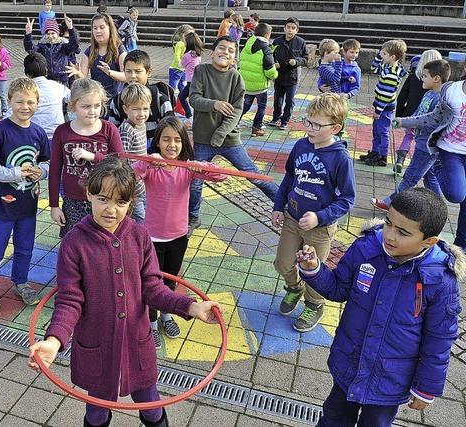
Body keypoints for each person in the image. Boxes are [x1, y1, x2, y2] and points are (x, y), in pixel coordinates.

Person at [28, 156, 221, 427]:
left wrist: (190, 307)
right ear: (88, 194)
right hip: (96, 345)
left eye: (121, 202)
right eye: (103, 198)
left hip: (136, 343)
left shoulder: (140, 235)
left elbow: (153, 289)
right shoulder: (74, 242)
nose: (111, 209)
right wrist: (54, 341)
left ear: (131, 203)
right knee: (97, 409)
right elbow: (70, 300)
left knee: (151, 405)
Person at [297, 187, 462, 426]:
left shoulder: (440, 279)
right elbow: (338, 288)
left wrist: (426, 387)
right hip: (350, 362)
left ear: (429, 241)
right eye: (388, 223)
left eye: (403, 232)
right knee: (333, 416)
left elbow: (439, 337)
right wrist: (314, 269)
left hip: (391, 378)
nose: (390, 235)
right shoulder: (366, 249)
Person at [133, 117, 227, 349]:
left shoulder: (186, 170)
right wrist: (147, 163)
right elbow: (131, 174)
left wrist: (203, 167)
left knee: (171, 279)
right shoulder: (152, 167)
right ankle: (152, 323)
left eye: (176, 140)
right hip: (152, 238)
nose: (171, 145)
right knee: (152, 282)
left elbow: (222, 175)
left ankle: (167, 314)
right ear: (157, 143)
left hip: (178, 237)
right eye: (165, 140)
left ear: (184, 144)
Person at [272, 93, 355, 332]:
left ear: (335, 128)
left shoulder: (340, 158)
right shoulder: (301, 145)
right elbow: (290, 177)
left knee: (313, 269)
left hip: (319, 228)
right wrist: (279, 206)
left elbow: (347, 199)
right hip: (292, 217)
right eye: (308, 121)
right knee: (283, 262)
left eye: (316, 125)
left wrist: (320, 217)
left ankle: (314, 304)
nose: (309, 128)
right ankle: (294, 288)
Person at [188, 36, 279, 234]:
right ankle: (193, 217)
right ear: (212, 52)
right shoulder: (201, 71)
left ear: (234, 58)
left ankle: (285, 204)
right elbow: (194, 99)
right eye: (221, 48)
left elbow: (237, 111)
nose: (225, 52)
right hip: (203, 140)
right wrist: (215, 104)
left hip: (229, 139)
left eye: (231, 51)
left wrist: (220, 134)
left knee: (253, 175)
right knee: (195, 182)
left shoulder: (236, 77)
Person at [0, 78, 50, 315]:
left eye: (30, 102)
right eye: (19, 102)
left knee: (25, 247)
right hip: (2, 206)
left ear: (37, 103)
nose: (25, 107)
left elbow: (46, 161)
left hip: (28, 205)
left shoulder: (38, 133)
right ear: (9, 101)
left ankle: (21, 282)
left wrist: (42, 172)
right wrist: (15, 173)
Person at [387, 69, 466, 251]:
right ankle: (437, 167)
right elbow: (433, 117)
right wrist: (404, 121)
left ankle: (461, 245)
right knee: (456, 194)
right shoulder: (451, 90)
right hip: (450, 151)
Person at [372, 59, 450, 212]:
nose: (422, 78)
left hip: (427, 146)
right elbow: (418, 113)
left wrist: (404, 122)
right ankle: (439, 209)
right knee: (430, 177)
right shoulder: (428, 93)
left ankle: (392, 203)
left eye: (425, 76)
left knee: (411, 176)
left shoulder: (440, 99)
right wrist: (408, 122)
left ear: (436, 78)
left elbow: (430, 121)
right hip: (422, 142)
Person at [49, 79, 124, 238]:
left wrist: (92, 156)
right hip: (73, 201)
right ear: (72, 105)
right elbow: (55, 171)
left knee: (102, 243)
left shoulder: (108, 129)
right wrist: (54, 205)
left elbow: (120, 162)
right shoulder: (62, 132)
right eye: (86, 106)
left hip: (105, 199)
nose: (92, 111)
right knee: (73, 244)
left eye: (97, 106)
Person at [360, 39, 408, 167]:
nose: (382, 56)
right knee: (376, 131)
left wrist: (378, 111)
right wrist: (378, 56)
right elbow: (373, 68)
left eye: (384, 54)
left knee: (382, 132)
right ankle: (375, 152)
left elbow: (386, 95)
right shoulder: (387, 66)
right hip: (380, 104)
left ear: (393, 57)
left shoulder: (391, 74)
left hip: (384, 107)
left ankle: (382, 157)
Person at [392, 50, 442, 172]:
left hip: (411, 114)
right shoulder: (436, 84)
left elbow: (402, 96)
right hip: (428, 118)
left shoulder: (414, 77)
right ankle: (418, 165)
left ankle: (401, 158)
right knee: (423, 141)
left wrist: (400, 114)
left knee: (409, 136)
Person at [108, 50, 174, 140]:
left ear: (149, 72)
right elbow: (112, 133)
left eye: (138, 71)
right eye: (128, 71)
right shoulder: (117, 101)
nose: (133, 76)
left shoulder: (160, 100)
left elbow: (171, 132)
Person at [66, 14, 127, 101]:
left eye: (102, 27)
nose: (98, 31)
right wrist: (78, 73)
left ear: (110, 28)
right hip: (96, 98)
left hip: (115, 99)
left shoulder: (119, 49)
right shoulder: (89, 51)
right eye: (95, 28)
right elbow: (83, 80)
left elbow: (126, 76)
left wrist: (110, 72)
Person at [15, 52, 70, 142]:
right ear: (46, 70)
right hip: (57, 136)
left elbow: (9, 116)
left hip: (32, 138)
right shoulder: (58, 87)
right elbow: (75, 98)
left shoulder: (21, 91)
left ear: (26, 73)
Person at [238, 22, 277, 136]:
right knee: (261, 107)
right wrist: (275, 75)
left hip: (245, 83)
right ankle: (256, 128)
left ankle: (233, 123)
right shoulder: (266, 49)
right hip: (260, 86)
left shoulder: (247, 45)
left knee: (245, 105)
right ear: (267, 35)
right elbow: (269, 70)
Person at [118, 83, 150, 224]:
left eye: (145, 109)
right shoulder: (127, 129)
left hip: (143, 182)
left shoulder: (141, 125)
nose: (142, 114)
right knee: (140, 218)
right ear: (126, 109)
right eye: (136, 109)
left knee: (145, 214)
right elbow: (122, 159)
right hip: (133, 185)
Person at [269, 17, 307, 130]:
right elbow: (271, 55)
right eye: (288, 28)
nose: (290, 30)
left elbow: (305, 58)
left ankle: (285, 120)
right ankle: (275, 118)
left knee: (289, 101)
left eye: (293, 28)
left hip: (292, 77)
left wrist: (296, 62)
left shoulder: (301, 42)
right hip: (279, 76)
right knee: (277, 100)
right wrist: (274, 62)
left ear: (297, 30)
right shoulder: (277, 41)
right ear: (284, 29)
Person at [24, 16, 79, 87]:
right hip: (47, 80)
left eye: (53, 33)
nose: (50, 36)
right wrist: (28, 34)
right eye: (48, 34)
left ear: (57, 34)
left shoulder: (63, 46)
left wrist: (71, 29)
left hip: (62, 81)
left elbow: (74, 45)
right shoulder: (42, 46)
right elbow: (30, 50)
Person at [178, 32, 203, 119]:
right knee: (195, 99)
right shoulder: (198, 54)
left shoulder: (187, 56)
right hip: (198, 81)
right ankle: (192, 116)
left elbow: (181, 65)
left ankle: (190, 116)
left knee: (181, 97)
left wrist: (180, 58)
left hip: (190, 82)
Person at [168, 25, 194, 95]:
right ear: (183, 35)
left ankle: (182, 101)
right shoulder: (180, 44)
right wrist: (180, 63)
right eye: (189, 35)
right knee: (173, 87)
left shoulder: (187, 44)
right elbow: (177, 56)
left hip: (183, 69)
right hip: (176, 69)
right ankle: (171, 99)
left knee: (183, 86)